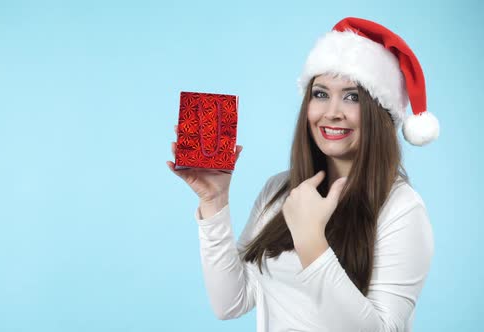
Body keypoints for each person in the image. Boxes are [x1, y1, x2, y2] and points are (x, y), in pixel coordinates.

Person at [166, 17, 439, 332]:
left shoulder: (402, 209)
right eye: (320, 93)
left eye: (352, 97)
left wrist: (312, 240)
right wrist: (214, 200)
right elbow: (231, 302)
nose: (331, 111)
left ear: (380, 113)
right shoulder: (280, 189)